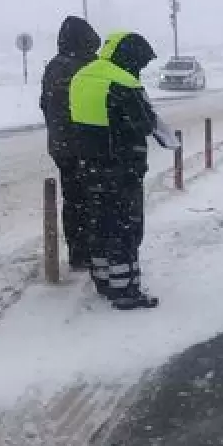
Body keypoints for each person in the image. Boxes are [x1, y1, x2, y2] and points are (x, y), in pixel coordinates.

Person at [68, 31, 160, 310]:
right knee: (125, 229)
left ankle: (104, 281)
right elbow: (143, 124)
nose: (141, 69)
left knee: (98, 224)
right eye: (140, 63)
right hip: (121, 169)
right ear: (129, 57)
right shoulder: (123, 82)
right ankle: (126, 291)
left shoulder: (82, 75)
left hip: (89, 166)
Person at [39, 15, 101, 270]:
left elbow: (46, 104)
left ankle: (79, 252)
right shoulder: (86, 67)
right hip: (85, 144)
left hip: (61, 145)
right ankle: (92, 250)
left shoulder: (54, 66)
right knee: (94, 199)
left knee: (74, 200)